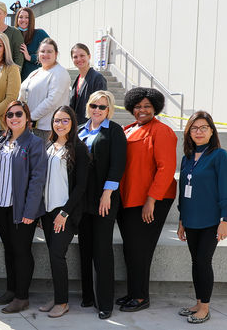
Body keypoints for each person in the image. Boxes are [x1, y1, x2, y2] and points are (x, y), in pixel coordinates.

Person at [116, 87, 178, 313]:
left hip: (149, 200)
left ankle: (141, 297)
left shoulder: (161, 131)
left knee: (140, 250)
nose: (141, 110)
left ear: (155, 108)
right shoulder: (130, 129)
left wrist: (151, 200)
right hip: (129, 197)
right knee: (131, 249)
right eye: (138, 106)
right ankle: (133, 292)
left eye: (147, 107)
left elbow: (166, 168)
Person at [177, 111, 227, 325]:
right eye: (195, 128)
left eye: (204, 127)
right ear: (189, 132)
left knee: (203, 261)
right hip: (191, 220)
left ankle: (205, 307)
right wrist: (182, 221)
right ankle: (198, 302)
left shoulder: (219, 155)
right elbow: (182, 190)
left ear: (212, 131)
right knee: (196, 262)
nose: (199, 132)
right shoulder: (187, 157)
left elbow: (226, 190)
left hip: (212, 221)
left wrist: (225, 220)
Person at [76, 90, 127, 320]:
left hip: (104, 198)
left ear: (109, 110)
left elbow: (118, 164)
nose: (97, 110)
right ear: (88, 107)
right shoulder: (79, 130)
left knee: (102, 249)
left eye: (102, 107)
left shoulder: (114, 131)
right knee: (85, 247)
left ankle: (104, 302)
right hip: (82, 199)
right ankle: (88, 296)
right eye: (94, 105)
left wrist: (107, 194)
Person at [0, 101, 46, 314]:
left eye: (19, 114)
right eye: (10, 115)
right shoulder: (2, 141)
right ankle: (11, 289)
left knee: (22, 251)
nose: (14, 118)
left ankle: (22, 296)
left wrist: (30, 211)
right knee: (9, 250)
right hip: (2, 206)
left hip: (22, 209)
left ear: (27, 118)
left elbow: (37, 179)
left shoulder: (34, 143)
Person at [38, 106, 89, 318]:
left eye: (65, 120)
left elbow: (81, 186)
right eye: (57, 120)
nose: (60, 124)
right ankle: (58, 295)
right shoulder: (48, 145)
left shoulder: (78, 148)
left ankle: (62, 301)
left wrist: (65, 213)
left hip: (64, 212)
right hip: (48, 211)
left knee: (57, 254)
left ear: (72, 123)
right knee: (53, 255)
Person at [18, 38, 70, 139]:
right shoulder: (35, 72)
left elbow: (51, 101)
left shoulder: (60, 73)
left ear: (56, 54)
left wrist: (31, 117)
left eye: (49, 51)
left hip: (47, 129)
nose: (45, 54)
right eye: (42, 51)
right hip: (29, 126)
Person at [69, 43, 107, 125]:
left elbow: (101, 107)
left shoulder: (98, 78)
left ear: (89, 56)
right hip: (78, 127)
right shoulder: (78, 79)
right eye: (75, 57)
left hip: (91, 126)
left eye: (82, 55)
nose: (79, 59)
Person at [14, 7, 50, 81]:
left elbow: (50, 53)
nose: (23, 20)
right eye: (20, 17)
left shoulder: (40, 34)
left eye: (27, 17)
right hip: (17, 81)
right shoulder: (14, 36)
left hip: (36, 81)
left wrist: (30, 57)